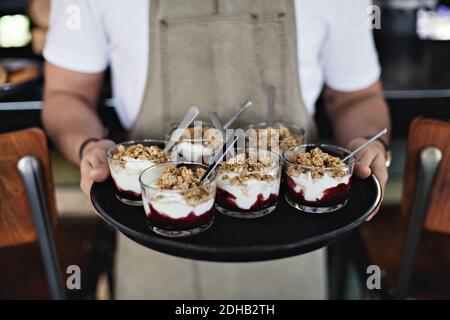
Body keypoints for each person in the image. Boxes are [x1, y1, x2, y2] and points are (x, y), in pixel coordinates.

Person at [42, 0, 390, 299]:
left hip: (291, 241)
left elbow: (357, 97)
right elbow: (65, 96)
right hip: (151, 242)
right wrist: (88, 146)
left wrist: (365, 146)